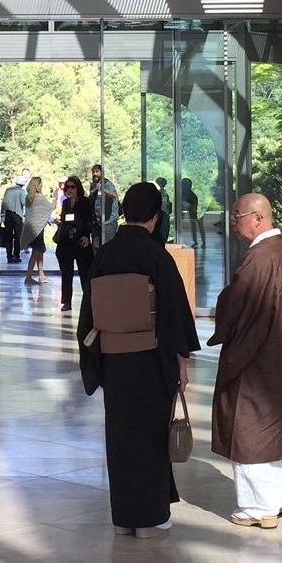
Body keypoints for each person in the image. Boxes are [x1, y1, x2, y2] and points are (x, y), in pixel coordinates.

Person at [77, 181, 200, 537]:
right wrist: (180, 361)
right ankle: (151, 518)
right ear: (156, 216)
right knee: (151, 436)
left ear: (125, 212)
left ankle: (124, 518)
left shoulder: (105, 256)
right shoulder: (156, 256)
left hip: (115, 362)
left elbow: (89, 315)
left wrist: (95, 361)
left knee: (120, 437)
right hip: (151, 359)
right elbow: (174, 314)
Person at [207, 192, 282, 529]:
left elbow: (235, 302)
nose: (234, 223)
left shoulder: (260, 258)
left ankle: (259, 506)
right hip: (281, 353)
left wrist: (222, 321)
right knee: (273, 424)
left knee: (247, 426)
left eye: (238, 216)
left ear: (259, 218)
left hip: (255, 356)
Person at [55, 175, 93, 311]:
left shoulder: (84, 202)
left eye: (72, 187)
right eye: (68, 187)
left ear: (78, 188)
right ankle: (67, 302)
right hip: (66, 241)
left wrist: (86, 235)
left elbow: (89, 220)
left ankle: (88, 300)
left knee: (84, 271)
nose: (69, 189)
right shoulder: (65, 203)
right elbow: (65, 219)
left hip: (80, 240)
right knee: (66, 272)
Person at [22, 176, 53, 286]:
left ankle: (41, 274)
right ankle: (29, 277)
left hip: (31, 228)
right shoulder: (39, 197)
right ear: (38, 184)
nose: (42, 186)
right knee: (36, 253)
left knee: (39, 251)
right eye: (41, 184)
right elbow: (49, 208)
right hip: (38, 229)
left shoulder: (29, 197)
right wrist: (55, 199)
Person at [89, 163, 119, 250]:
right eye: (93, 172)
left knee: (108, 247)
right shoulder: (93, 186)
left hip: (108, 222)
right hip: (97, 223)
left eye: (97, 171)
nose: (95, 174)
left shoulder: (108, 184)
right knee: (96, 247)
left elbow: (114, 195)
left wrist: (103, 189)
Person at [0, 173, 26, 264]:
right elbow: (24, 203)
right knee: (18, 236)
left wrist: (2, 216)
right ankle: (16, 255)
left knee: (8, 236)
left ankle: (9, 256)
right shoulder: (21, 191)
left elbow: (4, 203)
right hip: (17, 215)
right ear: (22, 184)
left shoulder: (8, 190)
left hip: (8, 214)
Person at [180, 176, 200, 248]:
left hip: (191, 214)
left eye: (183, 185)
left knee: (193, 226)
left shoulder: (192, 196)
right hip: (186, 214)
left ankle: (195, 241)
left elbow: (193, 210)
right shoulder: (182, 194)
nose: (182, 186)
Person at [154, 177, 172, 243]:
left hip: (162, 215)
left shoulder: (164, 195)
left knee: (162, 232)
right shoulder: (163, 194)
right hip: (161, 214)